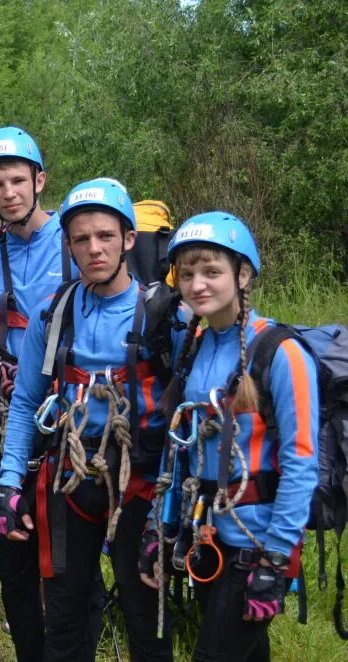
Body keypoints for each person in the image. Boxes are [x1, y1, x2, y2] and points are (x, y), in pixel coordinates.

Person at [0, 178, 180, 661]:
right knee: (64, 617)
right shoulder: (53, 314)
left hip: (140, 486)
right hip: (71, 483)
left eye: (105, 236)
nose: (93, 248)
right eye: (81, 239)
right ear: (68, 245)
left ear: (129, 240)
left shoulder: (164, 316)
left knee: (145, 620)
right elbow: (25, 403)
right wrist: (9, 482)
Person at [140, 212, 318, 660]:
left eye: (212, 271)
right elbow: (178, 446)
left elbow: (300, 460)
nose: (197, 284)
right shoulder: (195, 346)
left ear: (242, 275)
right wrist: (158, 528)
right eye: (187, 274)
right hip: (205, 535)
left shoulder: (282, 352)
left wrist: (276, 560)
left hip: (252, 544)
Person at [0, 126, 72, 660]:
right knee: (14, 544)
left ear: (39, 180)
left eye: (17, 180)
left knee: (68, 549)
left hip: (73, 415)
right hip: (13, 414)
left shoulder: (77, 238)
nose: (8, 192)